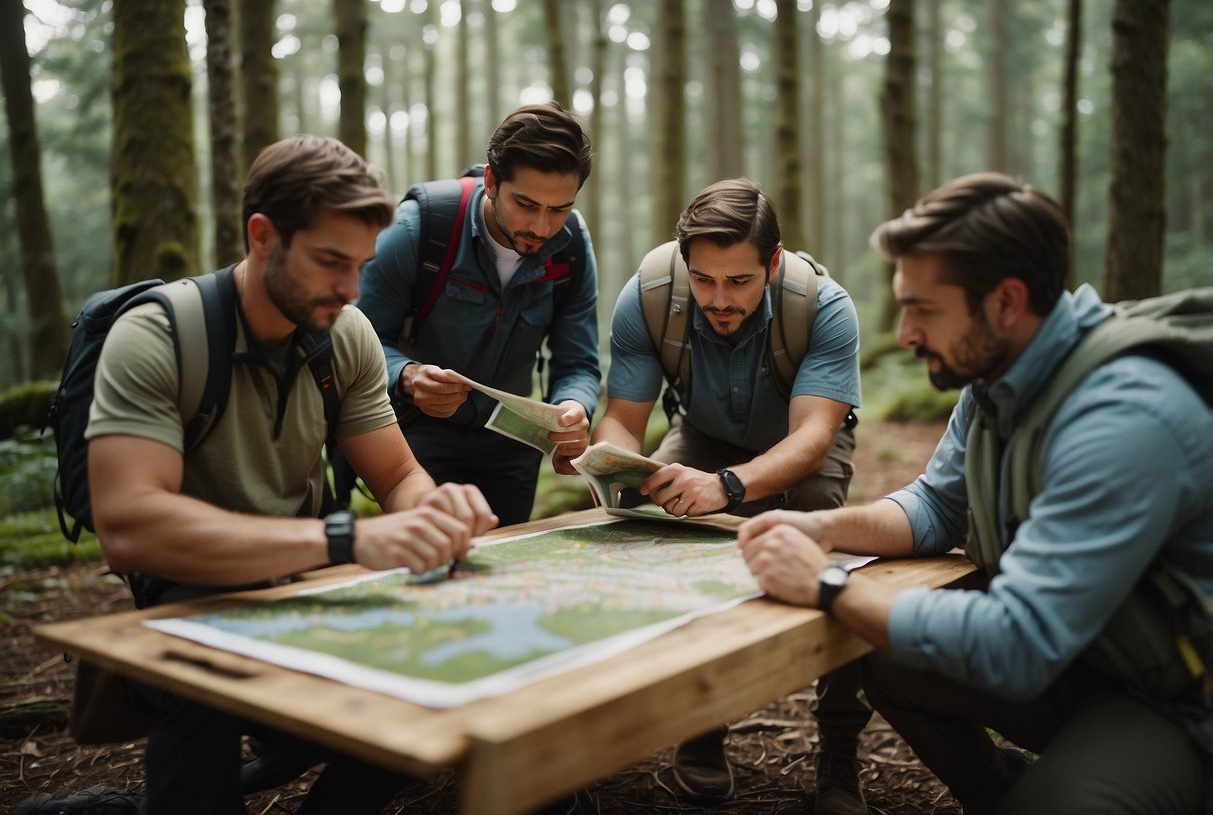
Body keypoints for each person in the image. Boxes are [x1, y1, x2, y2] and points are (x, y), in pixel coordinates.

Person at [739, 172, 1213, 814]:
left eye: (923, 309)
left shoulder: (1124, 419)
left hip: (1180, 702)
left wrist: (829, 586)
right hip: (1094, 658)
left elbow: (1017, 644)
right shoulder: (999, 377)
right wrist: (824, 532)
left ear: (1006, 303)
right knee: (889, 654)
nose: (905, 334)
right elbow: (937, 505)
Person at [86, 134, 497, 815]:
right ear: (262, 236)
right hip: (189, 599)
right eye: (330, 261)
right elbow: (129, 526)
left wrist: (433, 509)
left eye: (361, 265)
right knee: (200, 701)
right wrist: (344, 542)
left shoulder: (347, 332)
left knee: (430, 683)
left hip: (305, 583)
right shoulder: (157, 336)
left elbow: (395, 475)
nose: (351, 289)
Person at [583, 178, 869, 813]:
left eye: (739, 281)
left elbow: (814, 437)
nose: (718, 299)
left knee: (831, 555)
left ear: (773, 261)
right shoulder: (650, 297)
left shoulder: (824, 306)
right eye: (704, 280)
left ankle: (840, 749)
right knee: (648, 532)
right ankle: (701, 723)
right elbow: (624, 418)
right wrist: (612, 465)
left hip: (799, 447)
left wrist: (730, 487)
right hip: (703, 436)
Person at [357, 102, 601, 526]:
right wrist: (409, 376)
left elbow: (578, 362)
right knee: (427, 559)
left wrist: (573, 407)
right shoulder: (420, 228)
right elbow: (358, 342)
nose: (542, 227)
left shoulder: (573, 247)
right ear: (491, 180)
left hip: (511, 442)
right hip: (414, 434)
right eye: (526, 204)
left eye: (559, 209)